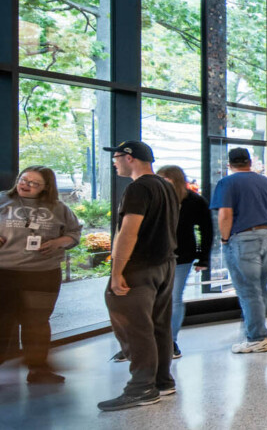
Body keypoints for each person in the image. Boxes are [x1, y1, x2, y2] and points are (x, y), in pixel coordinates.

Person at [98, 140, 179, 412]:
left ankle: (141, 387)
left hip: (140, 266)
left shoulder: (138, 188)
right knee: (158, 325)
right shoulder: (165, 186)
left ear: (130, 157)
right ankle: (162, 381)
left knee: (134, 327)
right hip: (164, 265)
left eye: (117, 156)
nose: (115, 161)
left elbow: (128, 231)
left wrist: (117, 271)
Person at [0, 166, 80, 384]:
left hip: (42, 274)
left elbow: (74, 233)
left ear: (46, 188)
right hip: (4, 272)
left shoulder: (58, 207)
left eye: (34, 183)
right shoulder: (2, 201)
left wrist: (58, 242)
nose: (26, 185)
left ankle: (38, 370)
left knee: (36, 323)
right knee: (2, 322)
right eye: (24, 180)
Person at [210, 146, 267, 355]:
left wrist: (225, 240)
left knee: (247, 290)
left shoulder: (227, 182)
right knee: (260, 288)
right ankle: (254, 329)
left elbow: (225, 215)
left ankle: (257, 337)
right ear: (250, 162)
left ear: (229, 164)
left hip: (245, 238)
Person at [157, 165, 212, 356]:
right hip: (156, 255)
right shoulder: (157, 198)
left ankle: (170, 341)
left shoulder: (193, 200)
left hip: (182, 256)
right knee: (159, 299)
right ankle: (156, 341)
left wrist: (203, 258)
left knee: (174, 298)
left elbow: (206, 230)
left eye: (165, 179)